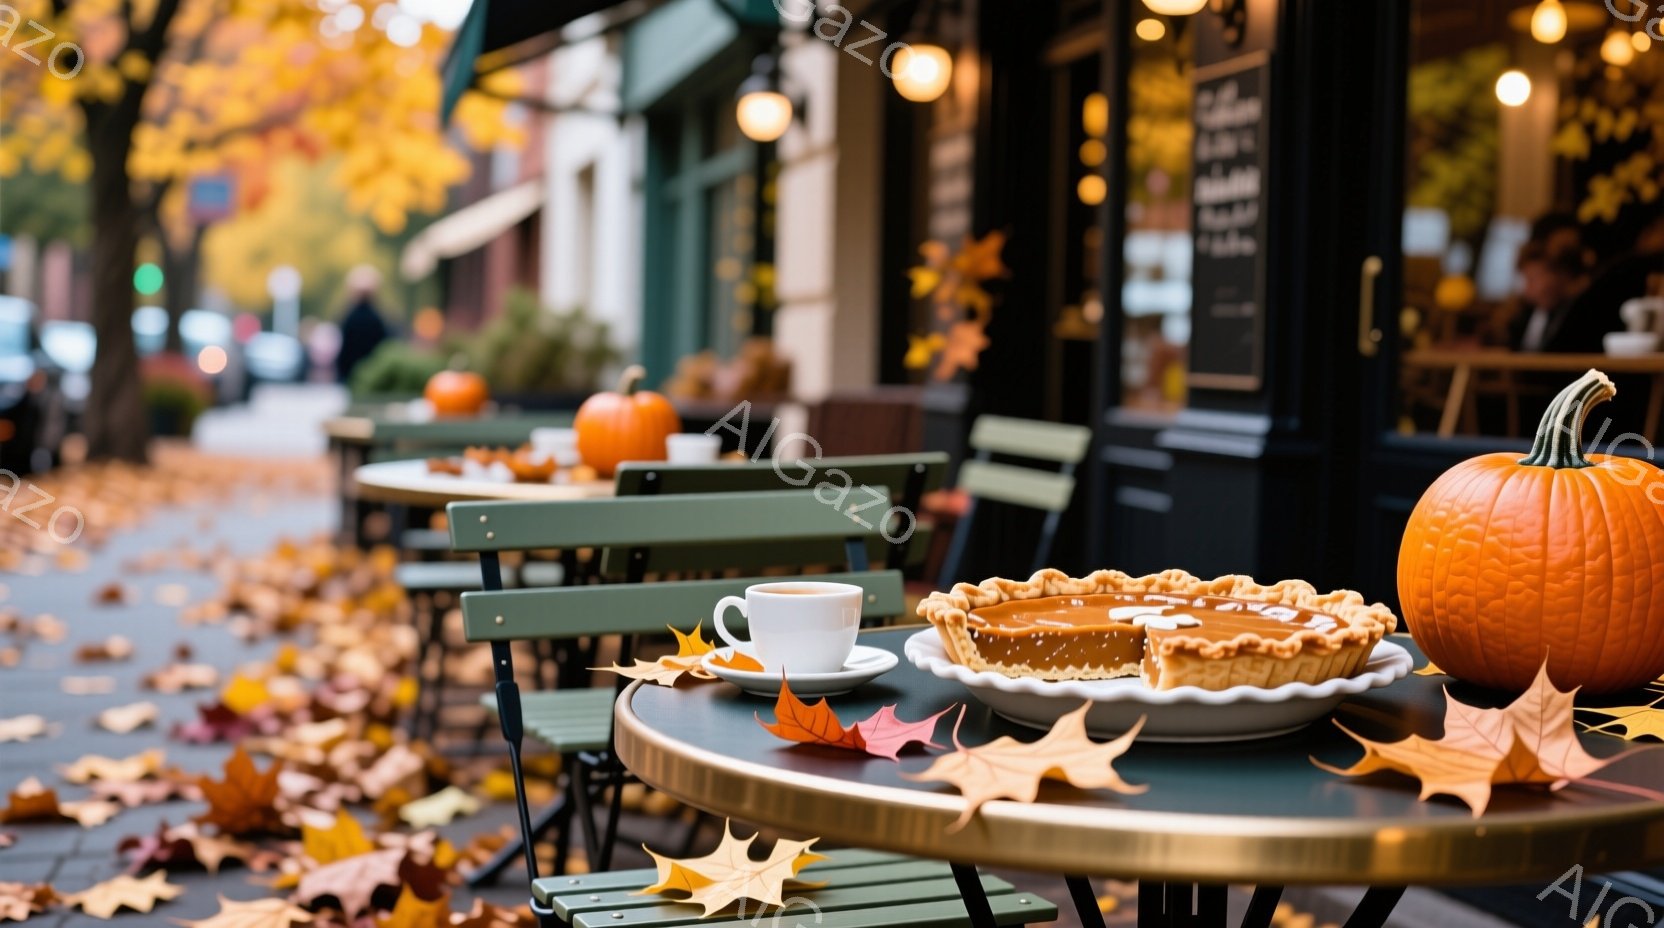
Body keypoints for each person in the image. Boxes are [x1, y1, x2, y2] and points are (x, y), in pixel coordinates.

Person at [1507, 241, 1601, 353]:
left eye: (1532, 279)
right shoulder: (1528, 313)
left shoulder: (1586, 314)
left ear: (1561, 274)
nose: (1526, 290)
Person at [335, 265, 390, 383]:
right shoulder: (379, 318)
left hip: (351, 375)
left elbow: (344, 351)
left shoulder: (348, 317)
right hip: (373, 375)